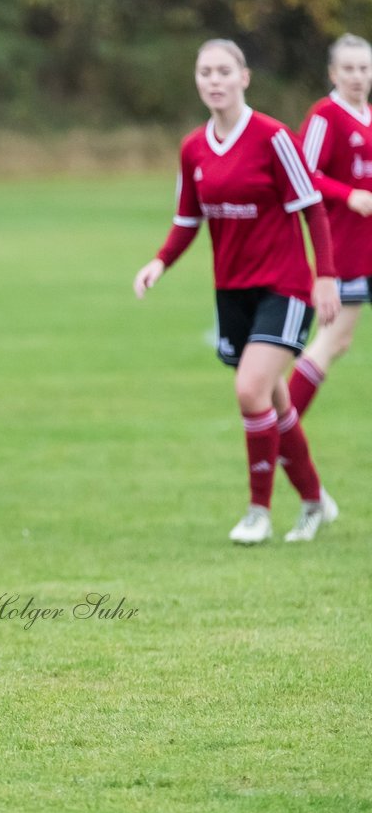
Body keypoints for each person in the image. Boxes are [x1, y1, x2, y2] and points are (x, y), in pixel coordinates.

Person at [133, 39, 341, 545]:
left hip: (284, 286)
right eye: (206, 72)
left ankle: (258, 512)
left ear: (244, 77)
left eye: (224, 71)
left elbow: (312, 207)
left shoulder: (273, 137)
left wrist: (325, 276)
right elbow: (188, 219)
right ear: (197, 81)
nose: (215, 80)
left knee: (250, 390)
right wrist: (159, 262)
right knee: (274, 401)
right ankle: (315, 502)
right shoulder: (193, 148)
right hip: (232, 291)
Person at [288, 34, 372, 423]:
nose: (357, 76)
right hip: (347, 251)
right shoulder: (325, 115)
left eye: (364, 68)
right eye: (349, 69)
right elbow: (303, 173)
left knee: (338, 340)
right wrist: (347, 195)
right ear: (333, 74)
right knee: (334, 340)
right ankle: (281, 427)